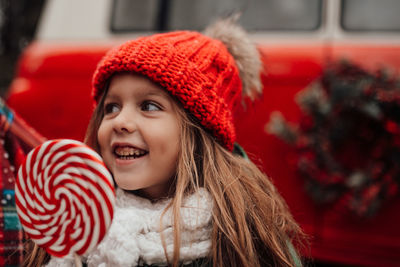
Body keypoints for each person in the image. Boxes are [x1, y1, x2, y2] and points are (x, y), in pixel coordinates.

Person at [23, 17, 304, 267]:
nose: (120, 121)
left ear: (198, 132)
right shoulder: (72, 224)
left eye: (149, 106)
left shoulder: (241, 233)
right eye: (111, 108)